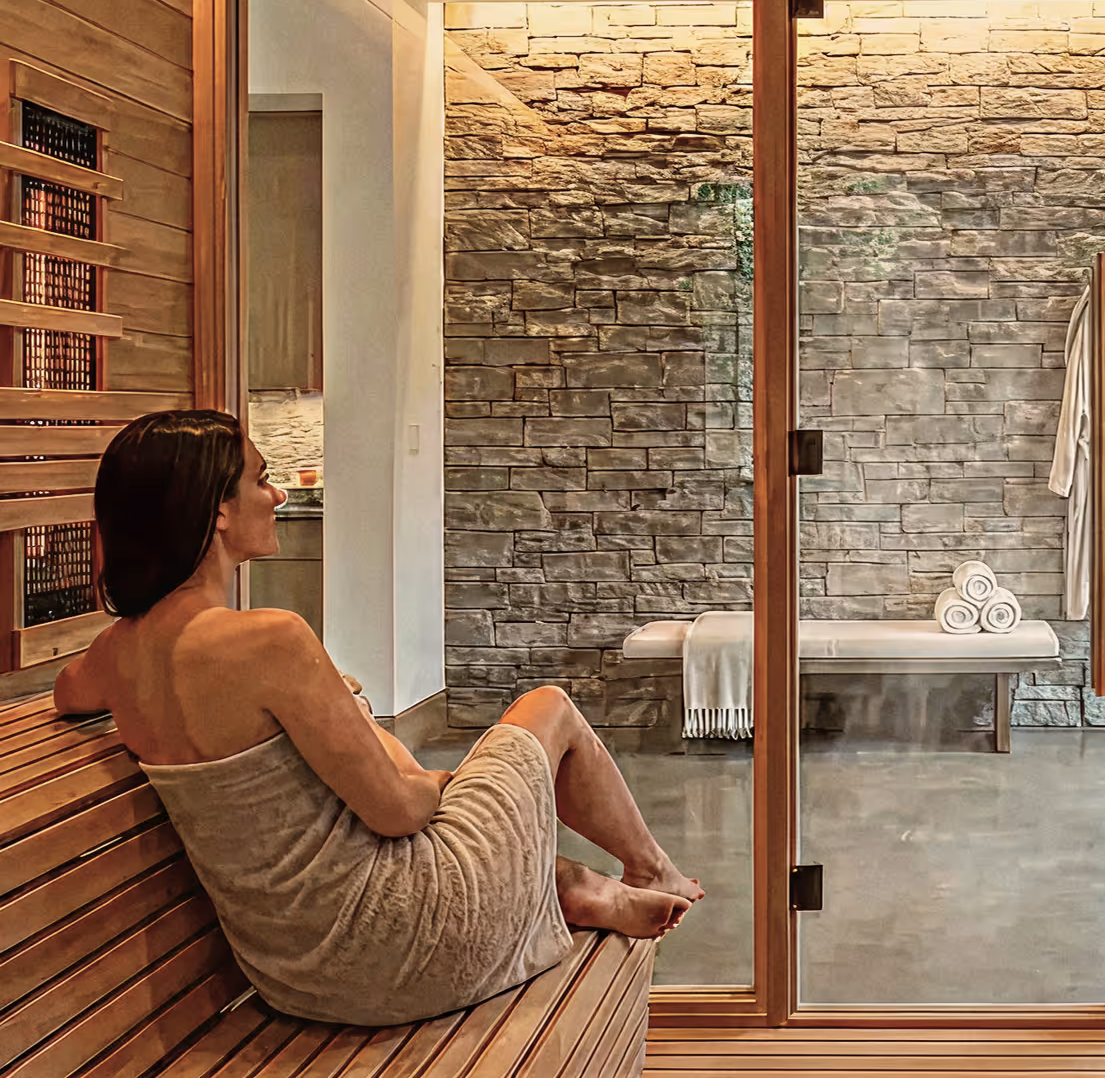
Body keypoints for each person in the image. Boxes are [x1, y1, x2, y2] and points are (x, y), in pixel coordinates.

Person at [53, 409, 702, 1026]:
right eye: (261, 478)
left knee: (439, 797)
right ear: (216, 511)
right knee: (548, 708)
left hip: (297, 975)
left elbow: (66, 693)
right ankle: (648, 867)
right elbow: (400, 813)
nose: (278, 495)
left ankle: (573, 885)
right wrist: (440, 780)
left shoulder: (118, 653)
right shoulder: (268, 640)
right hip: (406, 947)